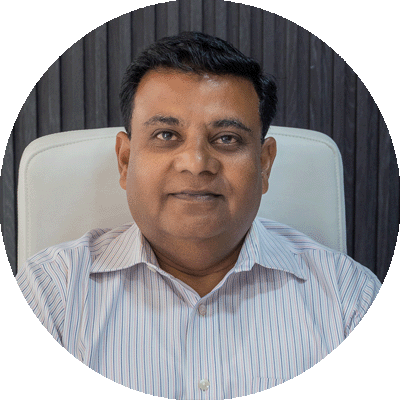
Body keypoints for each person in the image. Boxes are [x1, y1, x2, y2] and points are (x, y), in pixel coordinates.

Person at [16, 32, 381, 400]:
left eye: (227, 138)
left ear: (264, 164)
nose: (196, 164)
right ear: (125, 161)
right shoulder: (51, 294)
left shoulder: (348, 299)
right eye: (166, 135)